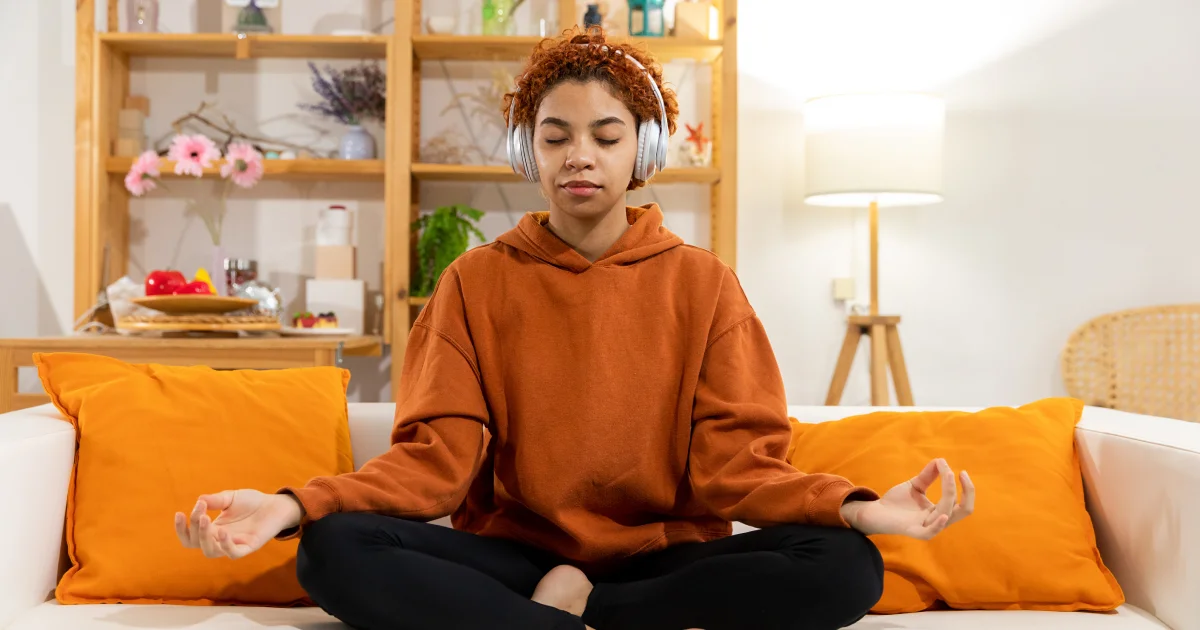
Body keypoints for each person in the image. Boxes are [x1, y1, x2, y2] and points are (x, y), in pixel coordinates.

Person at [174, 27, 975, 630]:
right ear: (531, 151)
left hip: (663, 557)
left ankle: (584, 613)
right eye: (555, 137)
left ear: (643, 148)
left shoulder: (704, 283)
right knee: (333, 550)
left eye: (606, 135)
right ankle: (572, 612)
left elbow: (740, 467)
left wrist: (859, 509)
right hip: (517, 558)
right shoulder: (475, 281)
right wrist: (290, 506)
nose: (579, 157)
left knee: (845, 568)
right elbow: (433, 464)